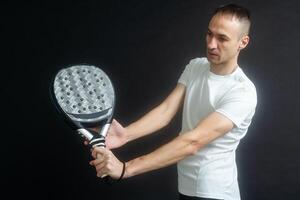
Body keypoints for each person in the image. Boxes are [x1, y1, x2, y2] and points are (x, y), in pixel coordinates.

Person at [89, 4, 257, 200]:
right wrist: (125, 134)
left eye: (222, 38)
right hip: (187, 185)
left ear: (242, 42)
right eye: (209, 34)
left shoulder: (243, 92)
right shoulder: (196, 66)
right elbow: (166, 111)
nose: (211, 44)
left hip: (215, 191)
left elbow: (193, 142)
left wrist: (126, 169)